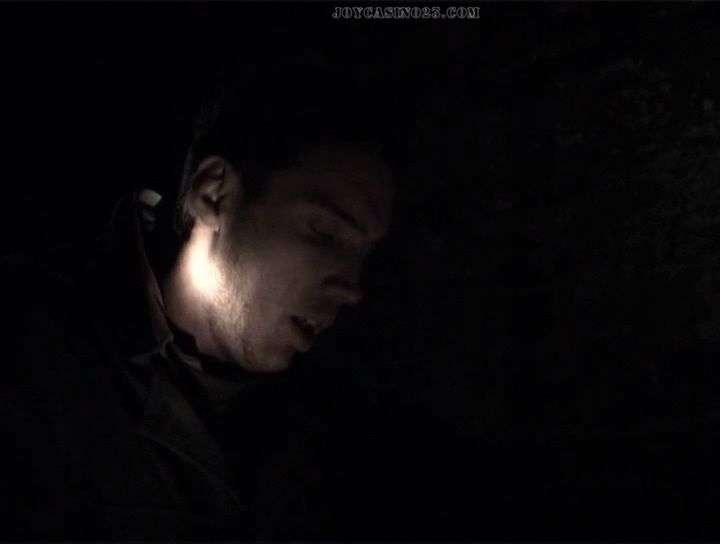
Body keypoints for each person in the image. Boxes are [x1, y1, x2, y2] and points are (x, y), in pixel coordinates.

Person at [0, 60, 400, 539]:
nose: (352, 286)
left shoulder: (330, 429)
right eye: (325, 233)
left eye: (363, 254)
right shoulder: (32, 353)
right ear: (213, 193)